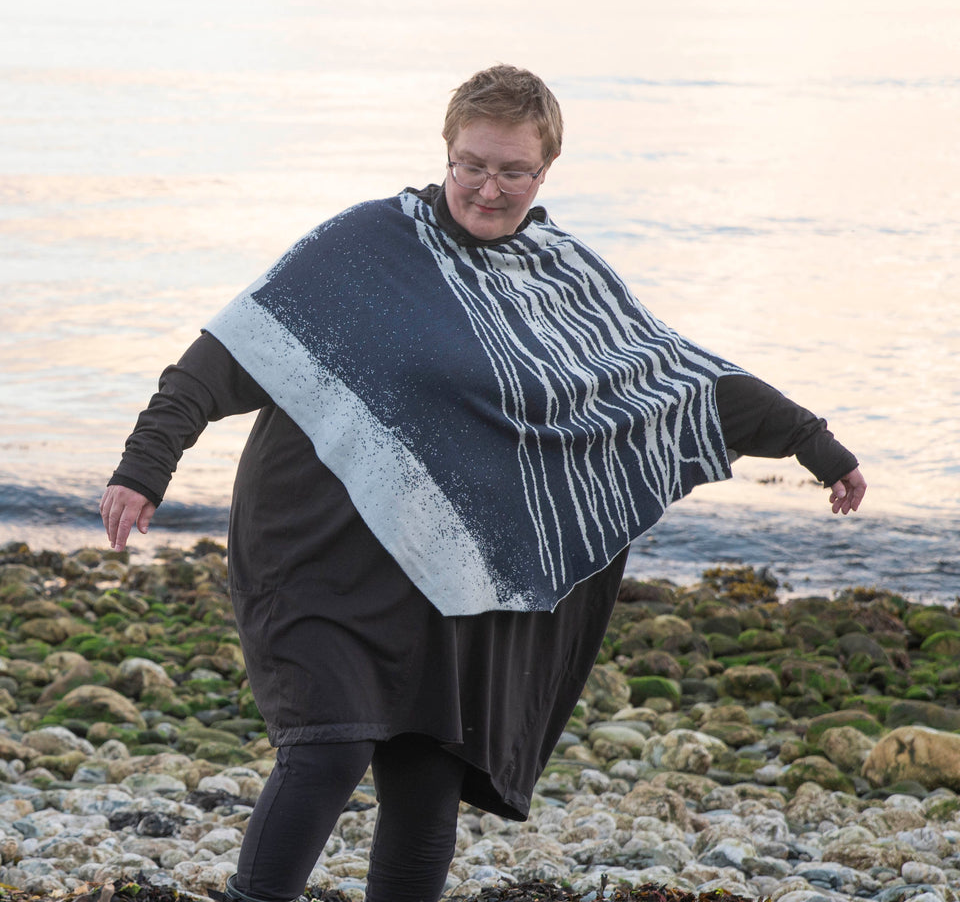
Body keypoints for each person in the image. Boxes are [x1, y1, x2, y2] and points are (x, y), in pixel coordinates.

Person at [100, 64, 866, 902]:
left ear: (545, 172)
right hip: (316, 553)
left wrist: (815, 445)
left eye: (512, 170)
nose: (487, 187)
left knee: (427, 779)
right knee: (328, 750)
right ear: (446, 152)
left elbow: (674, 385)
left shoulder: (566, 283)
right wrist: (145, 468)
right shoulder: (363, 250)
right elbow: (223, 359)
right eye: (472, 164)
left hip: (451, 581)